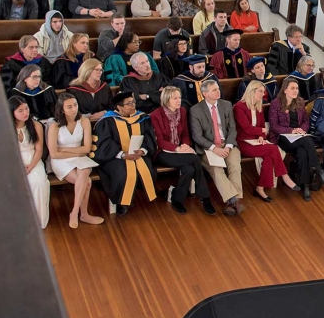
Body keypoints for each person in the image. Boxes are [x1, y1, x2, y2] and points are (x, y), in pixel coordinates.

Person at [150, 86, 214, 215]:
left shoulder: (183, 111)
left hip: (180, 149)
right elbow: (160, 141)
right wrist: (177, 148)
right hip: (162, 152)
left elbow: (185, 133)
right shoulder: (156, 115)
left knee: (189, 169)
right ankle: (205, 198)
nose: (179, 100)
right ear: (166, 99)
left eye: (179, 97)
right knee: (195, 158)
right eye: (175, 98)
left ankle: (177, 199)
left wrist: (185, 145)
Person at [92, 92, 157, 216]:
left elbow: (149, 137)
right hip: (114, 156)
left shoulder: (141, 118)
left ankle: (138, 193)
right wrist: (122, 154)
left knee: (148, 169)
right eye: (129, 104)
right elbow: (105, 143)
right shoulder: (107, 121)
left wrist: (142, 150)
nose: (133, 105)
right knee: (123, 173)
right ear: (119, 107)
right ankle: (121, 202)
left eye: (133, 102)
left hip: (138, 154)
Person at [236, 79, 302, 202]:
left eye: (264, 92)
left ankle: (260, 189)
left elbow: (261, 126)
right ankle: (285, 176)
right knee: (273, 148)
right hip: (244, 142)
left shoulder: (258, 105)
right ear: (252, 91)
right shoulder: (239, 107)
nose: (263, 94)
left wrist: (262, 136)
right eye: (260, 91)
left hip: (257, 141)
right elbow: (246, 128)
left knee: (269, 158)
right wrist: (261, 131)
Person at [189, 79, 245, 216]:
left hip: (228, 144)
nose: (218, 91)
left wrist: (229, 146)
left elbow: (232, 128)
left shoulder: (226, 105)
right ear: (205, 93)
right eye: (214, 90)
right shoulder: (195, 110)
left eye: (218, 89)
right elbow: (197, 136)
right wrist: (215, 148)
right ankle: (234, 200)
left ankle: (233, 202)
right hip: (208, 148)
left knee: (235, 166)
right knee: (216, 169)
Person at [47, 93, 103, 229]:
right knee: (87, 182)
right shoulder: (54, 125)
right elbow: (54, 154)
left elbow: (86, 149)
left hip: (79, 157)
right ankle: (82, 214)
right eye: (69, 107)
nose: (74, 109)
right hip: (60, 161)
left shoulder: (84, 121)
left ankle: (75, 212)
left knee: (84, 172)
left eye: (75, 105)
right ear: (62, 109)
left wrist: (65, 150)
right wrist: (71, 151)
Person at [9, 95, 50, 229]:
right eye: (20, 110)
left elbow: (39, 150)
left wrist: (30, 167)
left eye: (26, 109)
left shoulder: (36, 125)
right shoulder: (7, 127)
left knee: (39, 183)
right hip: (14, 161)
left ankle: (38, 222)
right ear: (12, 112)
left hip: (33, 160)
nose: (25, 112)